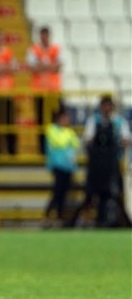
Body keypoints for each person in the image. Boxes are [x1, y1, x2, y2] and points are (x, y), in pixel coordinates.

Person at [69, 96, 131, 227]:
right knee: (90, 194)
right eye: (104, 106)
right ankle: (78, 221)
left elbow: (127, 140)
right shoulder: (93, 121)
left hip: (113, 164)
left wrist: (119, 145)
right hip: (96, 165)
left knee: (114, 194)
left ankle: (115, 220)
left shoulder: (119, 121)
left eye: (109, 106)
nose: (106, 109)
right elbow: (88, 140)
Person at [26, 26, 63, 154]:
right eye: (42, 36)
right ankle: (42, 149)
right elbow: (32, 67)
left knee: (55, 119)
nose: (44, 38)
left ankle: (55, 146)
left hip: (53, 91)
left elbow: (58, 67)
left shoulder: (56, 49)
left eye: (46, 35)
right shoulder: (34, 49)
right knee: (41, 121)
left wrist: (41, 66)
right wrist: (49, 66)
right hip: (39, 91)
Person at [43, 110, 80, 228]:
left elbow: (76, 145)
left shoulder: (69, 131)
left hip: (68, 166)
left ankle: (58, 217)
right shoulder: (52, 130)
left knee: (63, 193)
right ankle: (48, 215)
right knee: (57, 191)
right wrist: (68, 145)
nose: (67, 121)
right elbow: (60, 143)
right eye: (65, 118)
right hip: (58, 165)